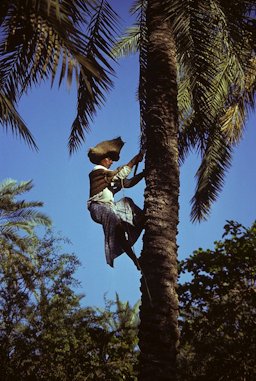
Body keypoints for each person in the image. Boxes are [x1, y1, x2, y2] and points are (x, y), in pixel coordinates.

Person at [87, 137, 145, 270]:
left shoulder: (108, 175)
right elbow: (118, 175)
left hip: (110, 207)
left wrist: (143, 174)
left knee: (127, 202)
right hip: (98, 207)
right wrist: (133, 161)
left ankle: (142, 222)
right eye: (109, 159)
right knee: (115, 223)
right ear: (102, 158)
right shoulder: (97, 171)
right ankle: (134, 258)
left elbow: (127, 183)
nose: (111, 162)